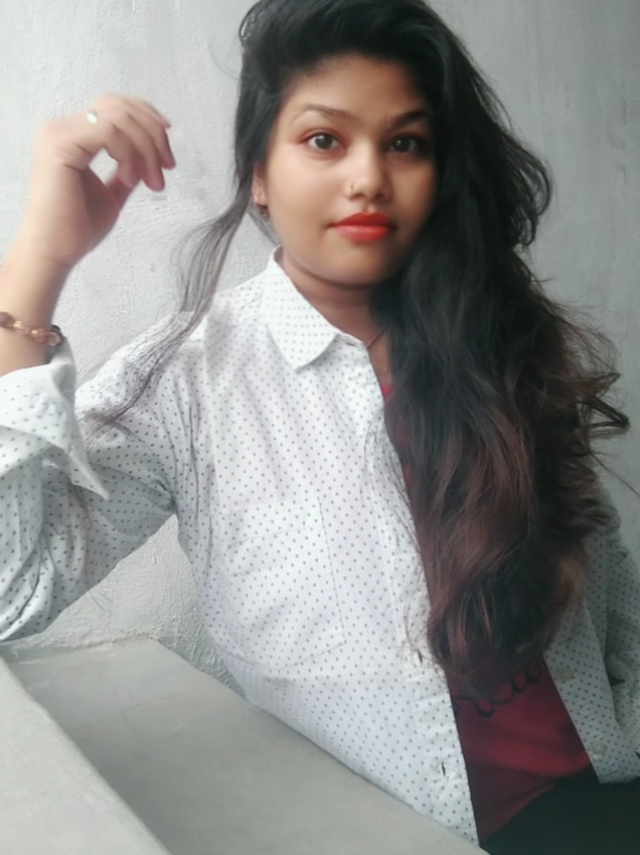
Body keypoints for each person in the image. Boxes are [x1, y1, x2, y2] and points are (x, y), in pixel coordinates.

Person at [0, 0, 639, 851]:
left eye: (405, 143)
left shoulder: (500, 336)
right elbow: (11, 589)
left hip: (601, 794)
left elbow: (607, 571)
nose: (368, 177)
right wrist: (38, 262)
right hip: (399, 831)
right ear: (259, 173)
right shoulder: (188, 379)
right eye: (325, 140)